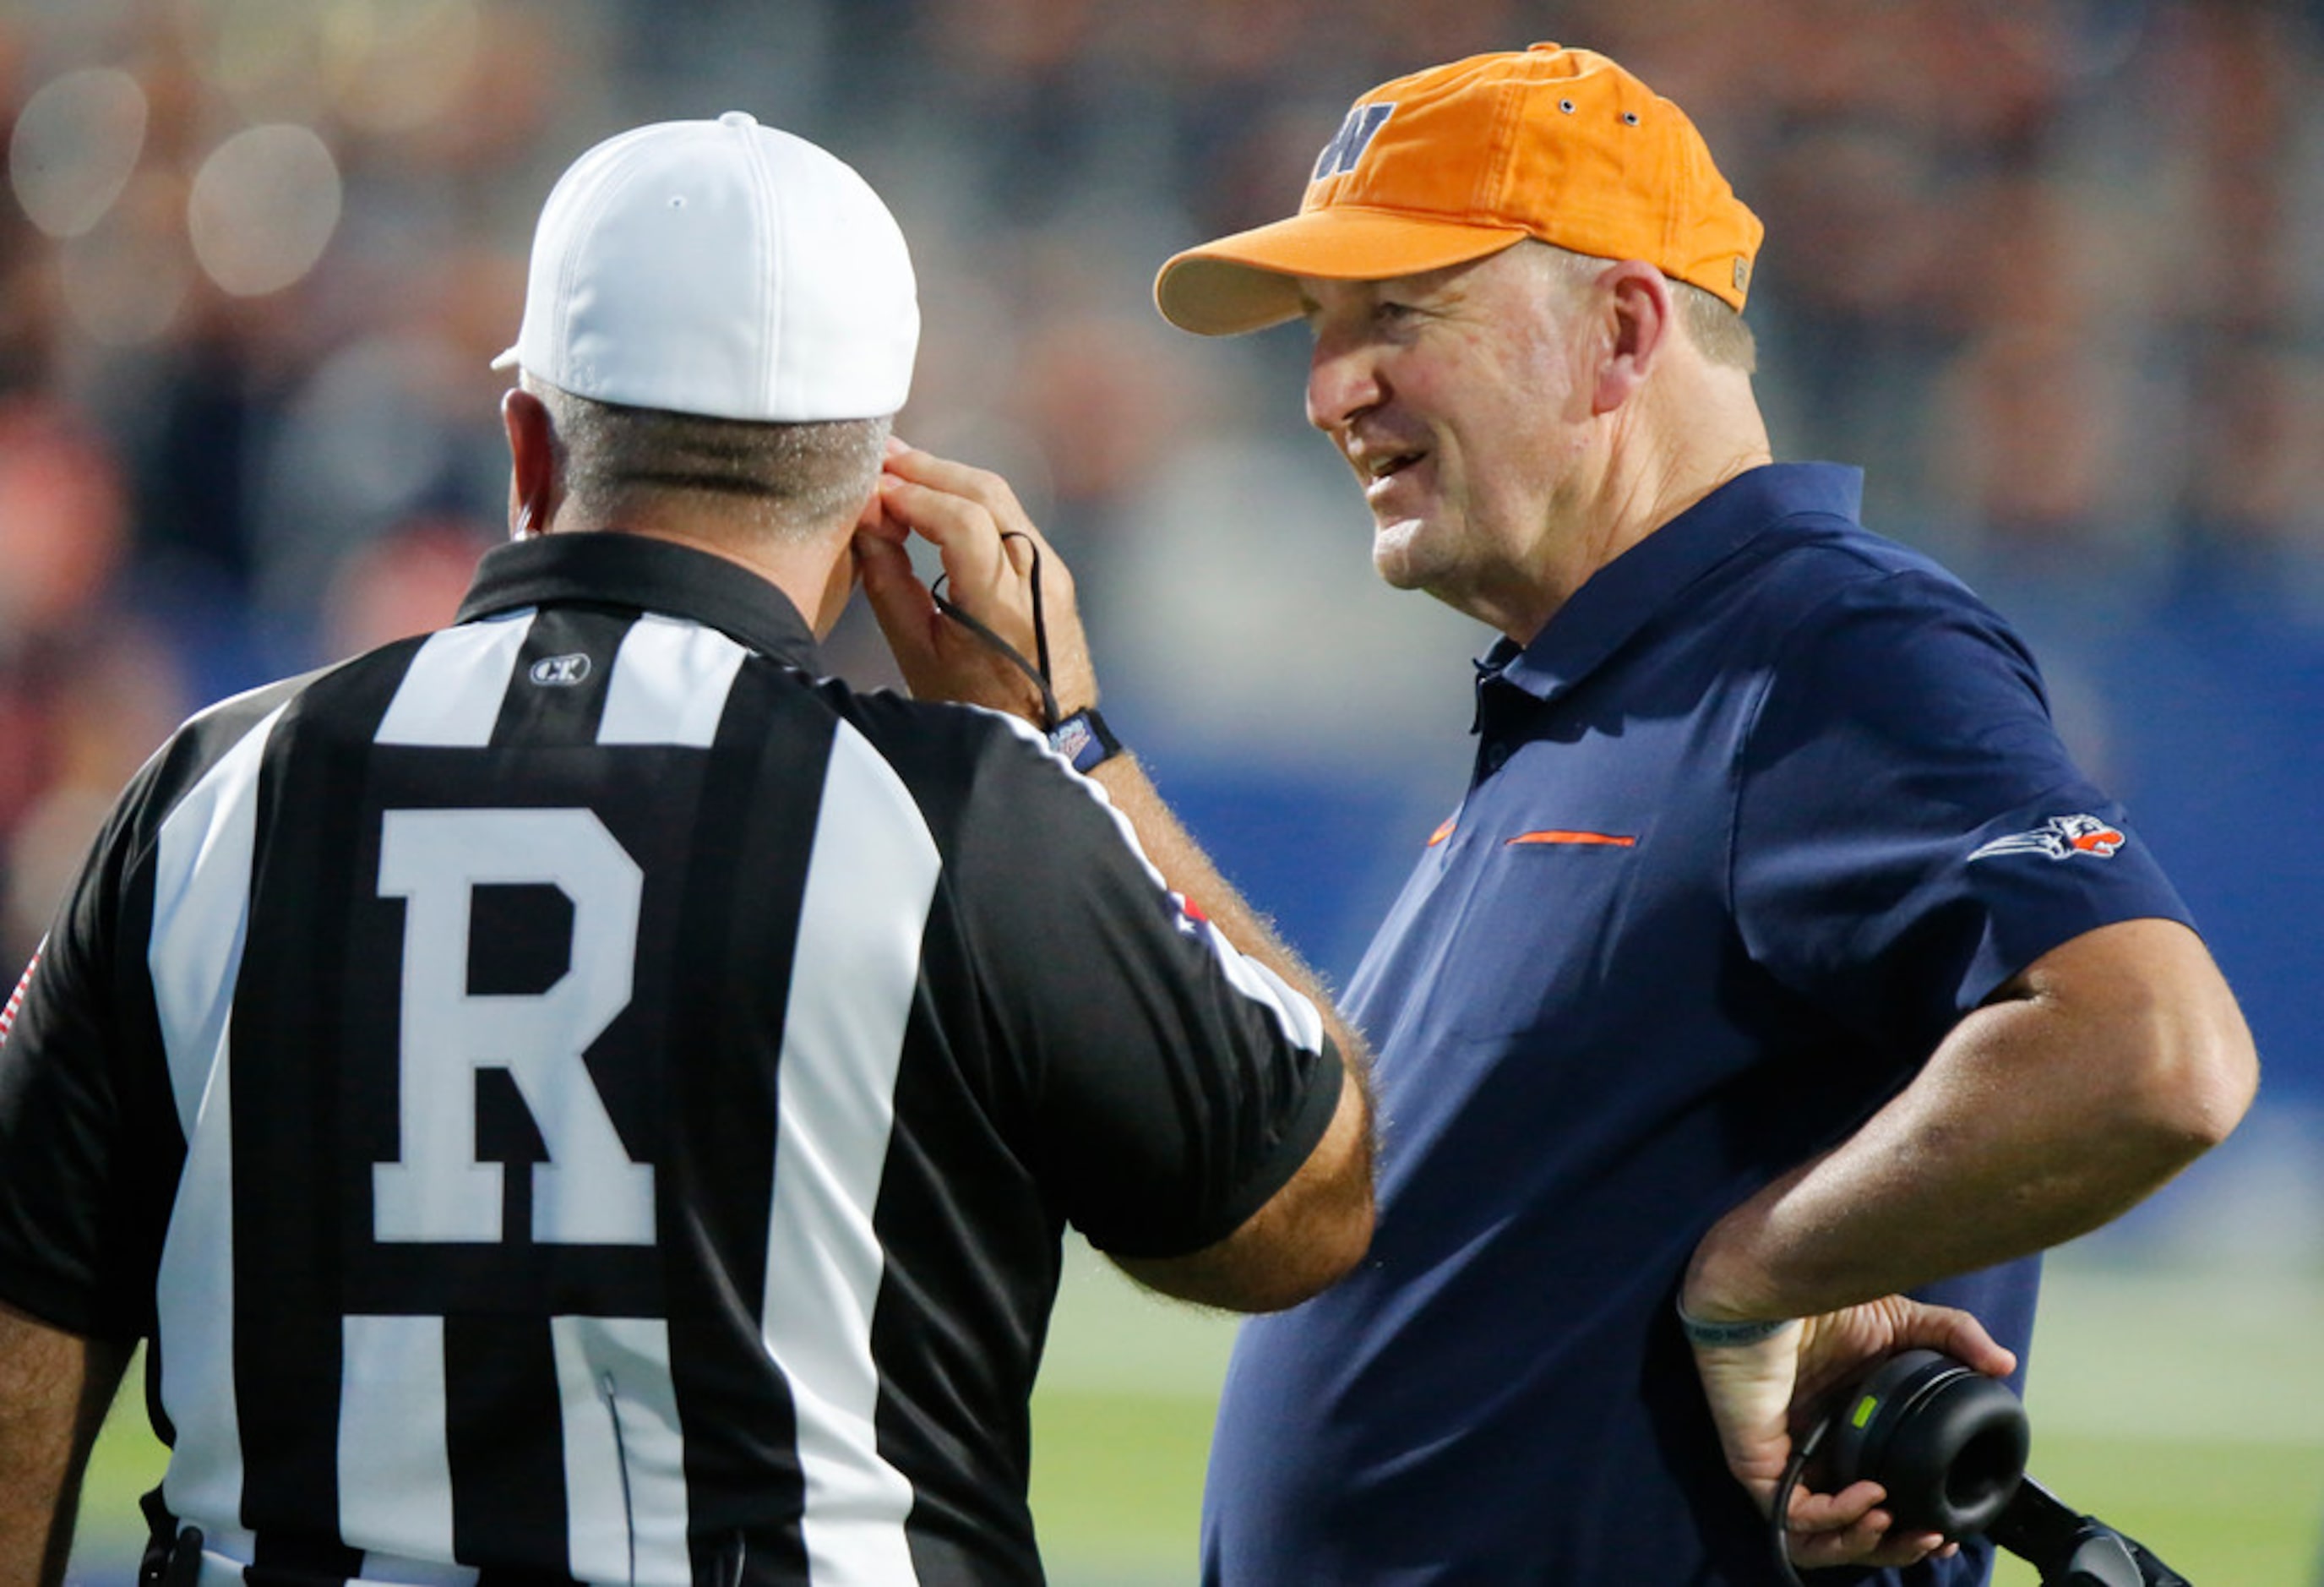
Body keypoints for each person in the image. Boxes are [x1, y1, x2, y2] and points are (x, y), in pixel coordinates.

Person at [0, 112, 1372, 1587]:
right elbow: (1302, 1204)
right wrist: (1070, 743)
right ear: (878, 503)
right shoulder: (962, 812)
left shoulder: (212, 790)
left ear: (527, 444)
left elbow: (21, 1310)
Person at [1144, 43, 2261, 1584]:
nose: (1332, 389)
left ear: (1620, 328)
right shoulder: (1593, 694)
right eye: (1323, 332)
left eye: (1399, 314)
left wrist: (1760, 1269)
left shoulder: (1823, 646)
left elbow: (2153, 1051)